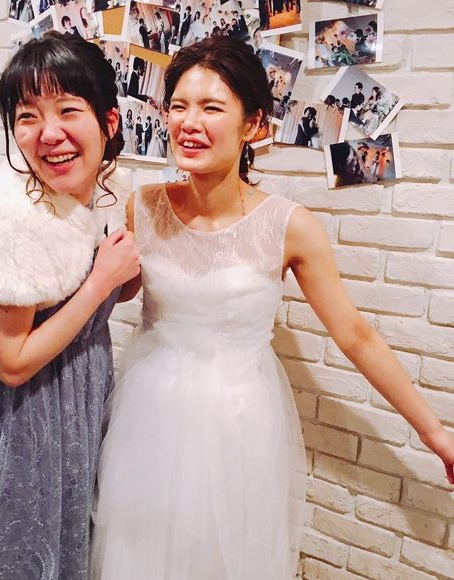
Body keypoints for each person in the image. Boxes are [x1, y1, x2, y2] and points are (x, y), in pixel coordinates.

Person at [91, 36, 454, 579]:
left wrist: (435, 434)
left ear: (254, 125)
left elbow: (355, 335)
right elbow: (115, 294)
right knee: (137, 552)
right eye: (179, 106)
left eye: (212, 108)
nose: (189, 123)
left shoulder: (289, 225)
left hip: (237, 422)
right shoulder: (142, 205)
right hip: (146, 413)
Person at [0, 32, 140, 580]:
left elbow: (120, 286)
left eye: (68, 109)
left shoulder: (106, 190)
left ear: (108, 122)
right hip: (16, 413)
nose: (49, 133)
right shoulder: (7, 217)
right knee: (16, 552)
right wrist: (100, 282)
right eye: (27, 116)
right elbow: (12, 363)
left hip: (76, 394)